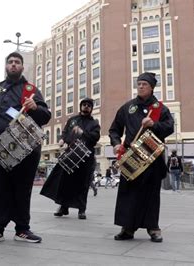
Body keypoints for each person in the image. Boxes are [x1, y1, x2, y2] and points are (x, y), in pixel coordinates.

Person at [0, 52, 51, 244]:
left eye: (17, 62)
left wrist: (35, 107)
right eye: (10, 62)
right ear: (6, 66)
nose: (13, 65)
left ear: (22, 67)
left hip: (26, 148)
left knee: (22, 189)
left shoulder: (31, 89)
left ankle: (22, 229)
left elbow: (45, 116)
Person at [109, 72, 174, 243]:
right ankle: (127, 228)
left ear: (152, 87)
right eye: (139, 83)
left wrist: (154, 124)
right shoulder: (128, 107)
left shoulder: (160, 108)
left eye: (144, 84)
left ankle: (153, 228)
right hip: (132, 156)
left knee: (151, 194)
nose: (141, 86)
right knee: (128, 193)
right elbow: (114, 129)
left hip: (152, 157)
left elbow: (169, 127)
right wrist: (116, 143)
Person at [40, 98, 100, 220]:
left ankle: (81, 210)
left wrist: (83, 132)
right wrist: (63, 139)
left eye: (89, 105)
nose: (86, 106)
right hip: (70, 154)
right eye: (84, 104)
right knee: (65, 182)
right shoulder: (72, 120)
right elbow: (65, 132)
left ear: (91, 108)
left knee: (83, 184)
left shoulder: (94, 123)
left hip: (85, 157)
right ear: (80, 106)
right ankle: (63, 207)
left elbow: (95, 138)